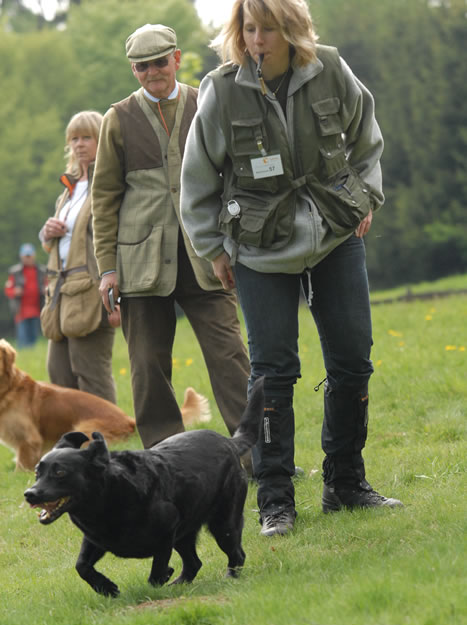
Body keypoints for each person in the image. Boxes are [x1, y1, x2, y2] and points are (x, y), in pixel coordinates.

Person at [180, 0, 403, 537]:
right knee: (272, 372)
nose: (258, 40)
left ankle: (345, 484)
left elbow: (366, 138)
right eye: (249, 29)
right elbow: (197, 180)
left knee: (352, 360)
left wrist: (366, 197)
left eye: (269, 29)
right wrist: (214, 250)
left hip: (335, 234)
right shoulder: (220, 90)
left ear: (292, 29)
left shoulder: (330, 68)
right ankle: (275, 500)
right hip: (258, 249)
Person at [91, 23, 251, 449]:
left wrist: (234, 240)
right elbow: (103, 200)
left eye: (159, 62)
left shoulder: (206, 102)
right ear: (133, 70)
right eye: (141, 67)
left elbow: (234, 175)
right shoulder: (117, 119)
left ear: (176, 59)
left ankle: (258, 457)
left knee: (231, 356)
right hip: (140, 267)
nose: (152, 72)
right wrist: (107, 269)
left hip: (208, 256)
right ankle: (167, 459)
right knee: (147, 367)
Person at [39, 111, 117, 403]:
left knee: (91, 374)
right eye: (73, 139)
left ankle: (108, 432)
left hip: (93, 292)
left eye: (87, 137)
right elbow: (57, 244)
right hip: (60, 295)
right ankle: (74, 435)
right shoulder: (69, 189)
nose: (79, 144)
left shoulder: (109, 181)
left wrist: (117, 299)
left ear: (101, 139)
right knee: (58, 375)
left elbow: (117, 240)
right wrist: (47, 233)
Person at [4, 243, 46, 349]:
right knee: (22, 340)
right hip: (21, 312)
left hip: (37, 310)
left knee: (34, 339)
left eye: (29, 256)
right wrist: (15, 292)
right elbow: (8, 290)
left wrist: (46, 290)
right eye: (26, 256)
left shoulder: (41, 271)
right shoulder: (15, 272)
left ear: (34, 256)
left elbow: (48, 286)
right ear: (21, 257)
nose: (28, 259)